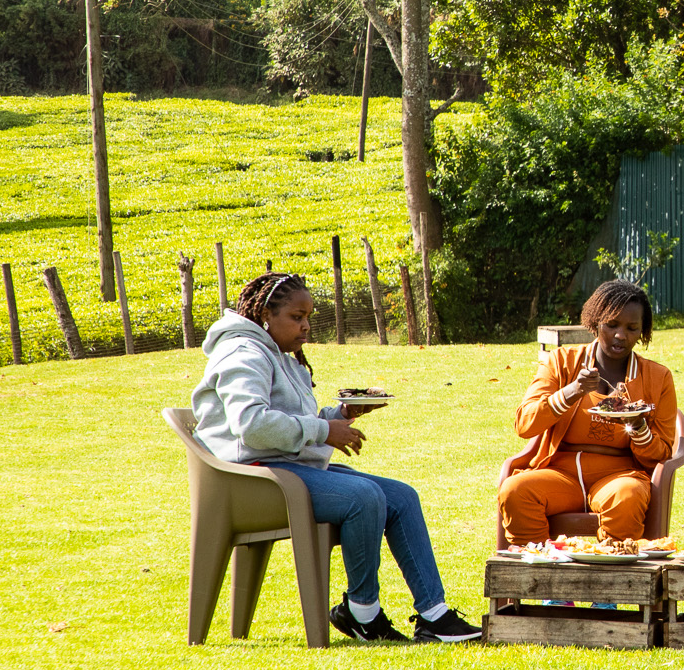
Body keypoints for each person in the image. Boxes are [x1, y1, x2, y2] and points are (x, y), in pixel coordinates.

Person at [191, 272, 482, 644]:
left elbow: (291, 420)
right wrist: (325, 431)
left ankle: (434, 614)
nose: (306, 327)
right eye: (297, 317)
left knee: (402, 497)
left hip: (287, 467)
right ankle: (363, 612)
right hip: (252, 479)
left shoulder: (278, 354)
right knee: (363, 497)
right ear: (266, 313)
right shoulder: (243, 353)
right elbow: (252, 426)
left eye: (308, 317)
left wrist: (340, 415)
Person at [500, 280, 679, 545]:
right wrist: (572, 391)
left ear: (642, 331)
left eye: (632, 328)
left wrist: (638, 427)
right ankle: (539, 574)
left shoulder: (657, 377)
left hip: (620, 474)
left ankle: (610, 580)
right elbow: (525, 424)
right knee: (516, 491)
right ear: (595, 322)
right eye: (612, 325)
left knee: (627, 498)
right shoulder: (560, 362)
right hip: (559, 472)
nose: (621, 335)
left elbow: (663, 451)